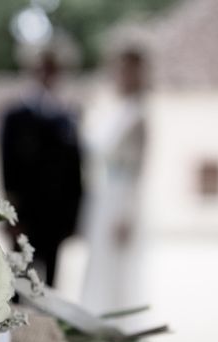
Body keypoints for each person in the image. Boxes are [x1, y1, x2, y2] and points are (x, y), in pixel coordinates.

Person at [0, 51, 82, 286]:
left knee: (51, 286)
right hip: (24, 214)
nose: (48, 75)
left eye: (54, 69)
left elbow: (75, 169)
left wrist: (74, 217)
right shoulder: (13, 116)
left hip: (56, 215)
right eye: (43, 68)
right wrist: (10, 215)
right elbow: (7, 168)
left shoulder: (67, 116)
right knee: (19, 283)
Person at [80, 48, 147, 313]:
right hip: (104, 193)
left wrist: (128, 212)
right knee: (100, 263)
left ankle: (116, 320)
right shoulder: (116, 110)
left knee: (117, 265)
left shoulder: (138, 114)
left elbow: (139, 169)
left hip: (120, 197)